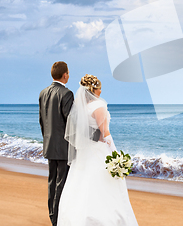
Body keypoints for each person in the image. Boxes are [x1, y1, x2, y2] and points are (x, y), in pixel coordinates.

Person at [57, 74, 139, 226]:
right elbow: (105, 134)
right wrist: (116, 154)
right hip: (98, 152)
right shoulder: (98, 106)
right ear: (94, 89)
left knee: (81, 185)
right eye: (100, 88)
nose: (101, 91)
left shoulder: (82, 108)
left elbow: (85, 133)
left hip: (84, 152)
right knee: (102, 186)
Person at [39, 61, 74, 226]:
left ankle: (52, 215)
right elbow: (70, 122)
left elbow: (42, 121)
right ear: (65, 75)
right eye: (68, 73)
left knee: (52, 181)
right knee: (62, 182)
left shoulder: (43, 93)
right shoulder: (66, 94)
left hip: (49, 144)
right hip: (63, 147)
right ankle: (57, 219)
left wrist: (47, 139)